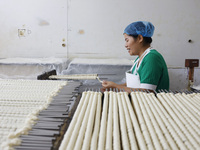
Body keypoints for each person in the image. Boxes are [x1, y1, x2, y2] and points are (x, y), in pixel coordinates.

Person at [102, 21, 169, 93]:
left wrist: (116, 86)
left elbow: (147, 91)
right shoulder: (140, 58)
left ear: (140, 38)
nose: (125, 45)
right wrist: (112, 87)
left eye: (127, 40)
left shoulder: (152, 58)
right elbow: (133, 85)